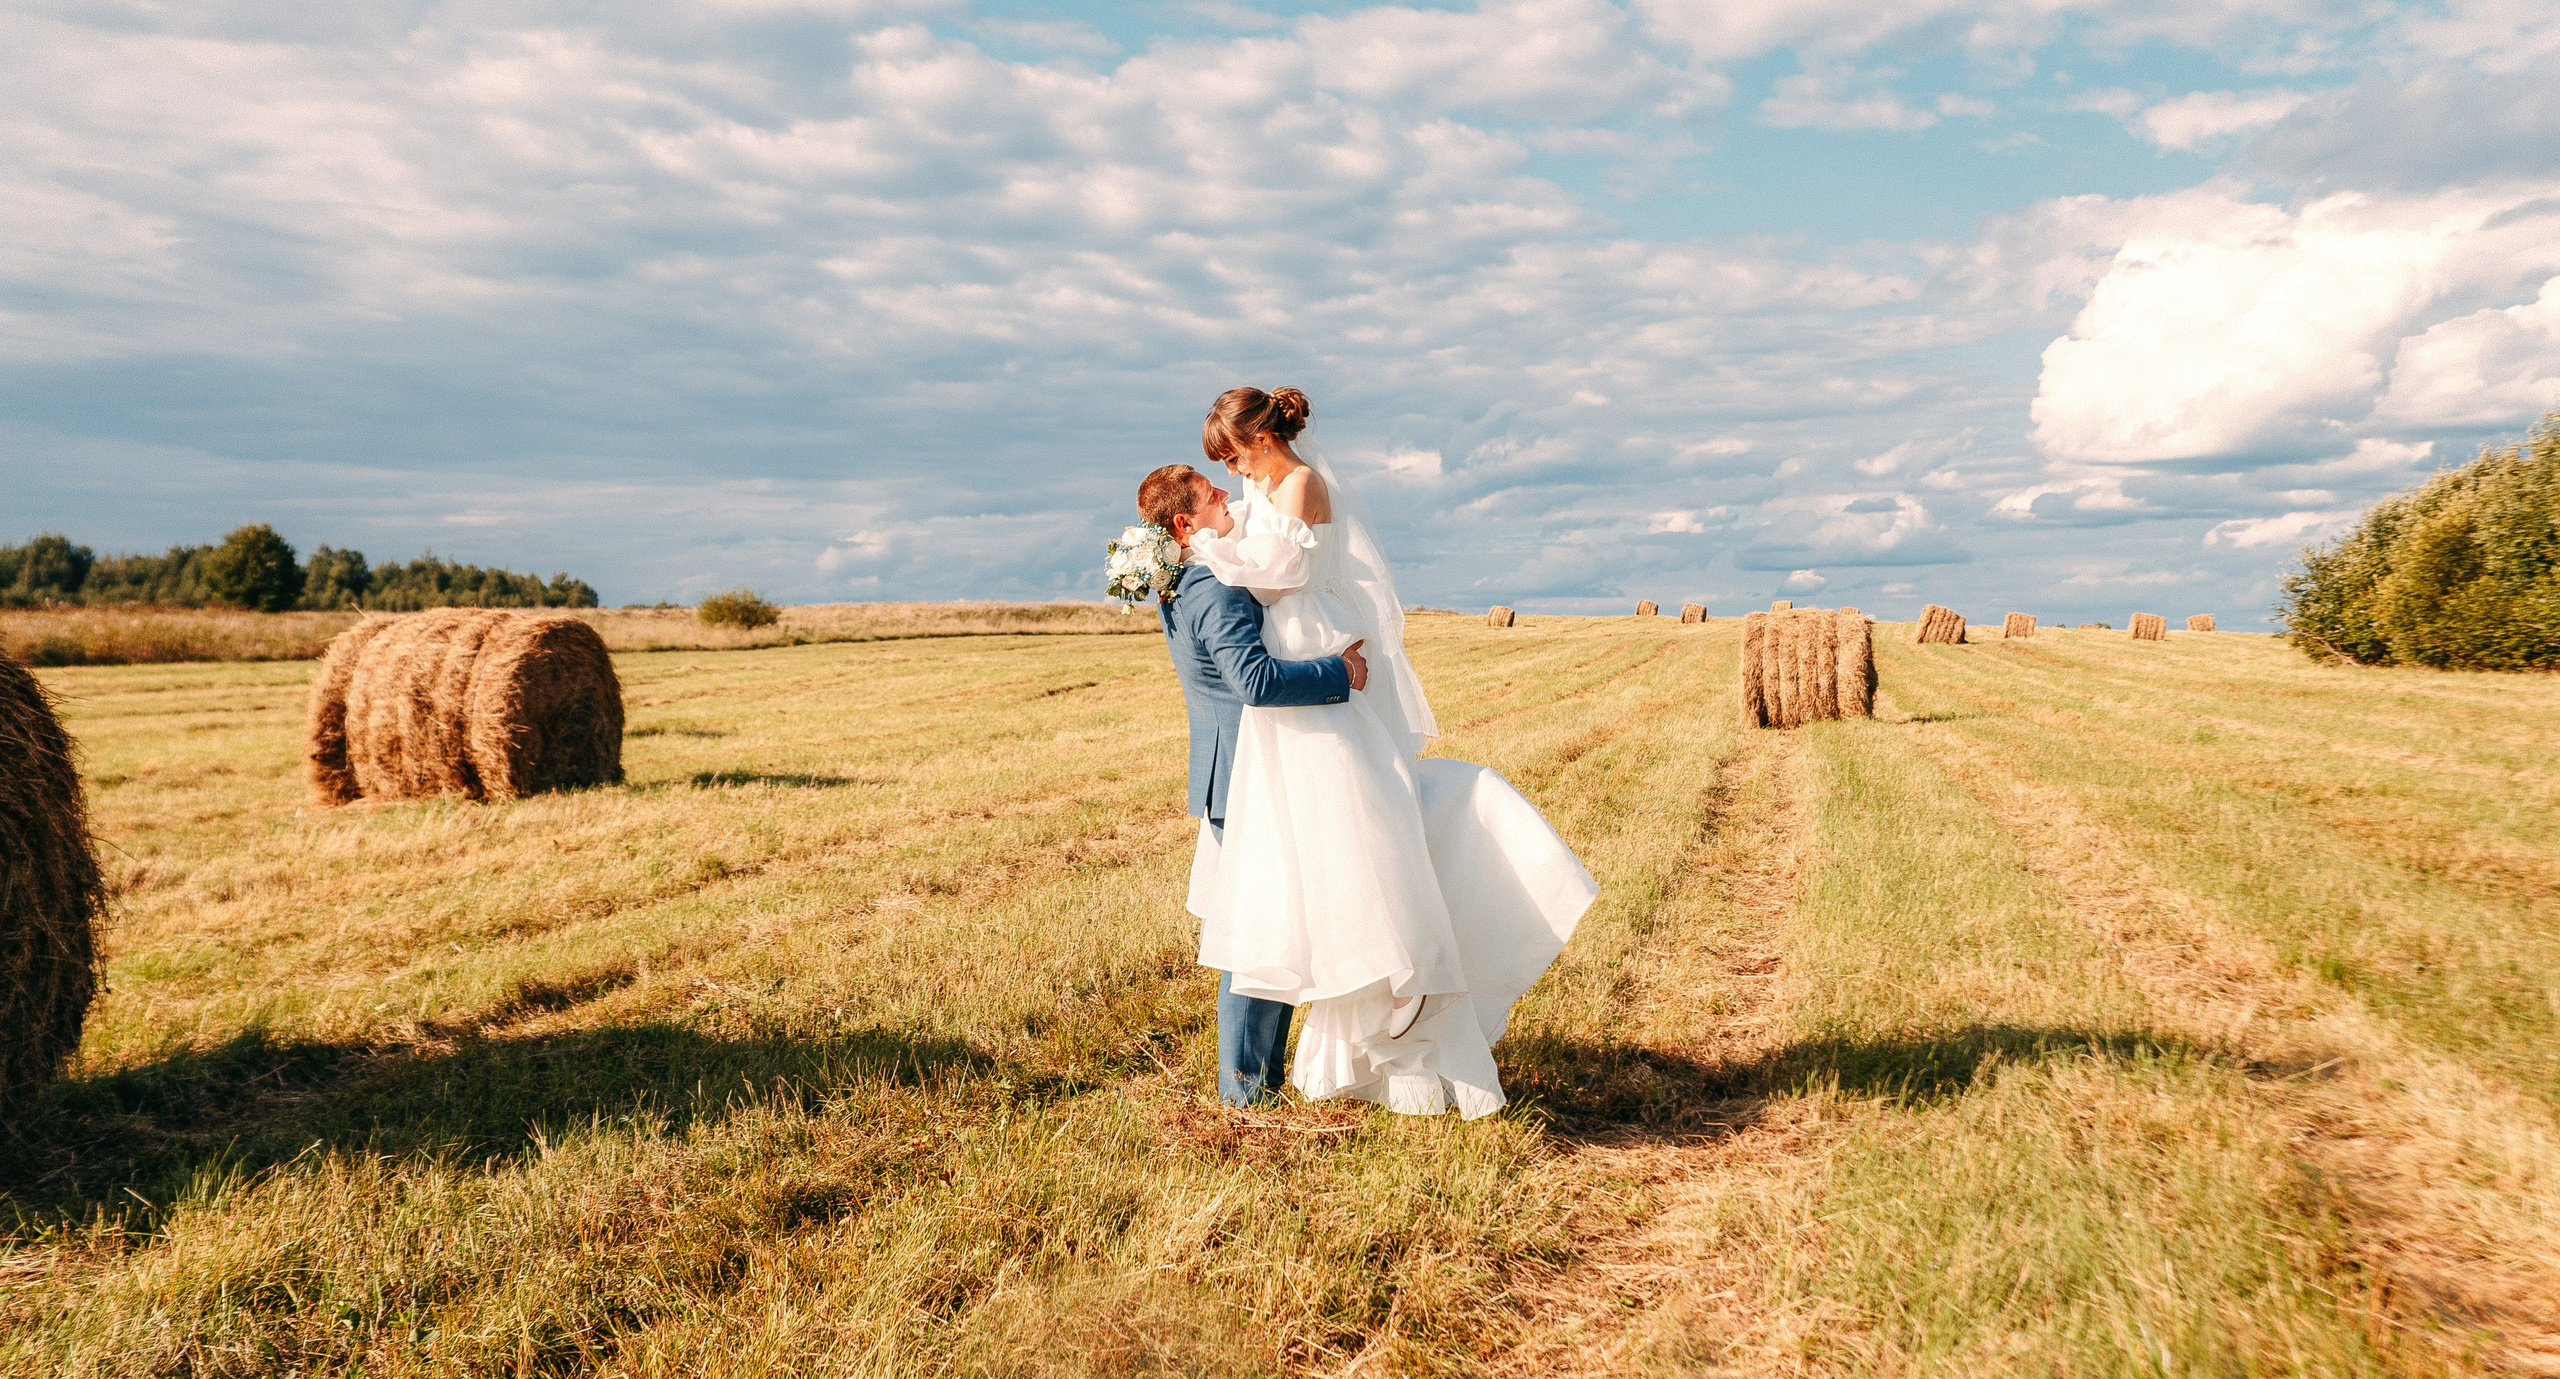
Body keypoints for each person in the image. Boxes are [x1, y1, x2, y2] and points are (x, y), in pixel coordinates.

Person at [1174, 386, 1598, 1120]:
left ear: (1265, 442)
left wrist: (1202, 546)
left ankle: (1410, 978)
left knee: (1357, 841)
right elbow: (1242, 539)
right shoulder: (1267, 488)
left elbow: (1279, 574)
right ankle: (1328, 1029)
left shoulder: (1300, 484)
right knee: (1314, 866)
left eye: (1237, 457)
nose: (1236, 474)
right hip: (1294, 687)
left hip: (1315, 661)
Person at [1138, 462, 1368, 1107]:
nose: (1229, 497)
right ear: (1187, 524)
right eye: (1214, 496)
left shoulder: (1186, 583)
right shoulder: (1215, 588)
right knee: (1257, 936)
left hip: (1233, 773)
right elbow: (1254, 683)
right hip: (1246, 778)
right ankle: (1244, 1098)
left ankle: (1260, 1085)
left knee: (1276, 929)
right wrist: (1339, 673)